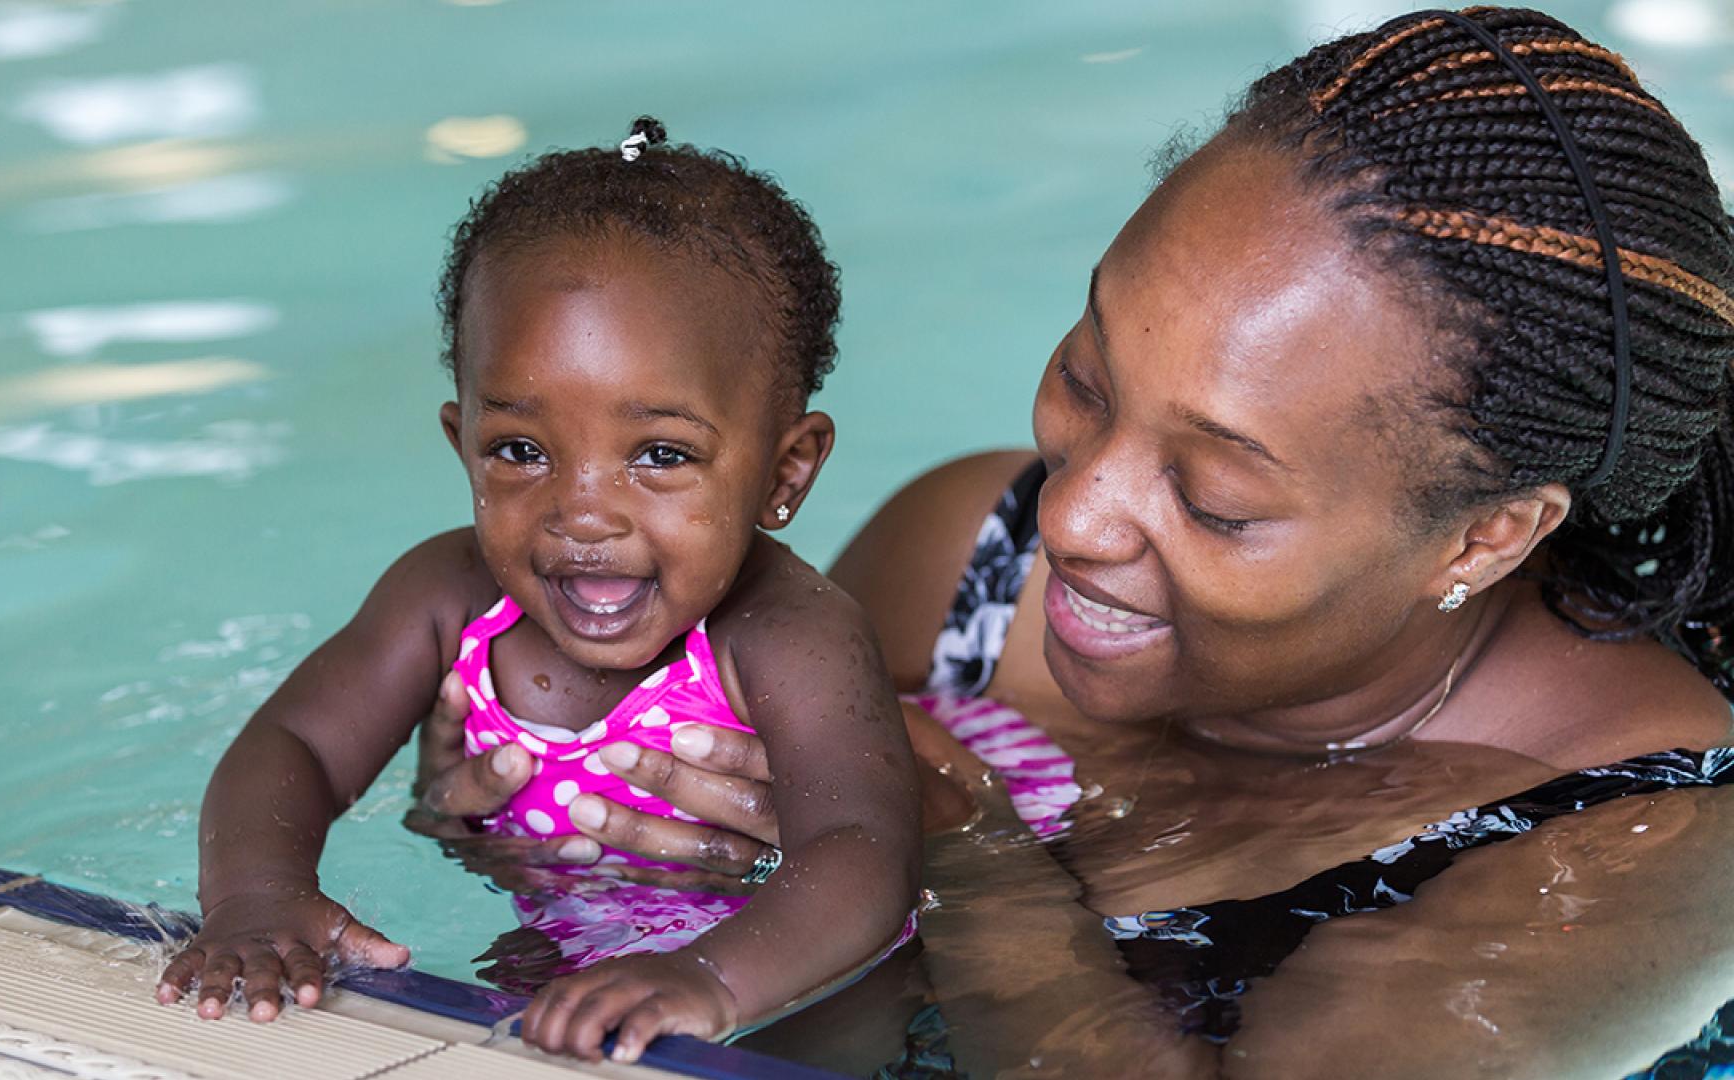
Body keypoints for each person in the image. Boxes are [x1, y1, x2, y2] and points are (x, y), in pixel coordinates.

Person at [411, 10, 1734, 1077]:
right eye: (1087, 381)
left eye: (1215, 498)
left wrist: (967, 853)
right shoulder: (967, 563)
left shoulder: (1637, 847)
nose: (1069, 516)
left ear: (1489, 535)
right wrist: (541, 799)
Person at [155, 118, 920, 1065]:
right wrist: (257, 895)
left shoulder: (790, 634)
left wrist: (709, 981)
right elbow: (295, 743)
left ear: (784, 472)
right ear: (459, 440)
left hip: (784, 985)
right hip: (560, 949)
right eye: (520, 450)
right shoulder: (446, 595)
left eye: (661, 454)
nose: (581, 513)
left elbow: (859, 850)